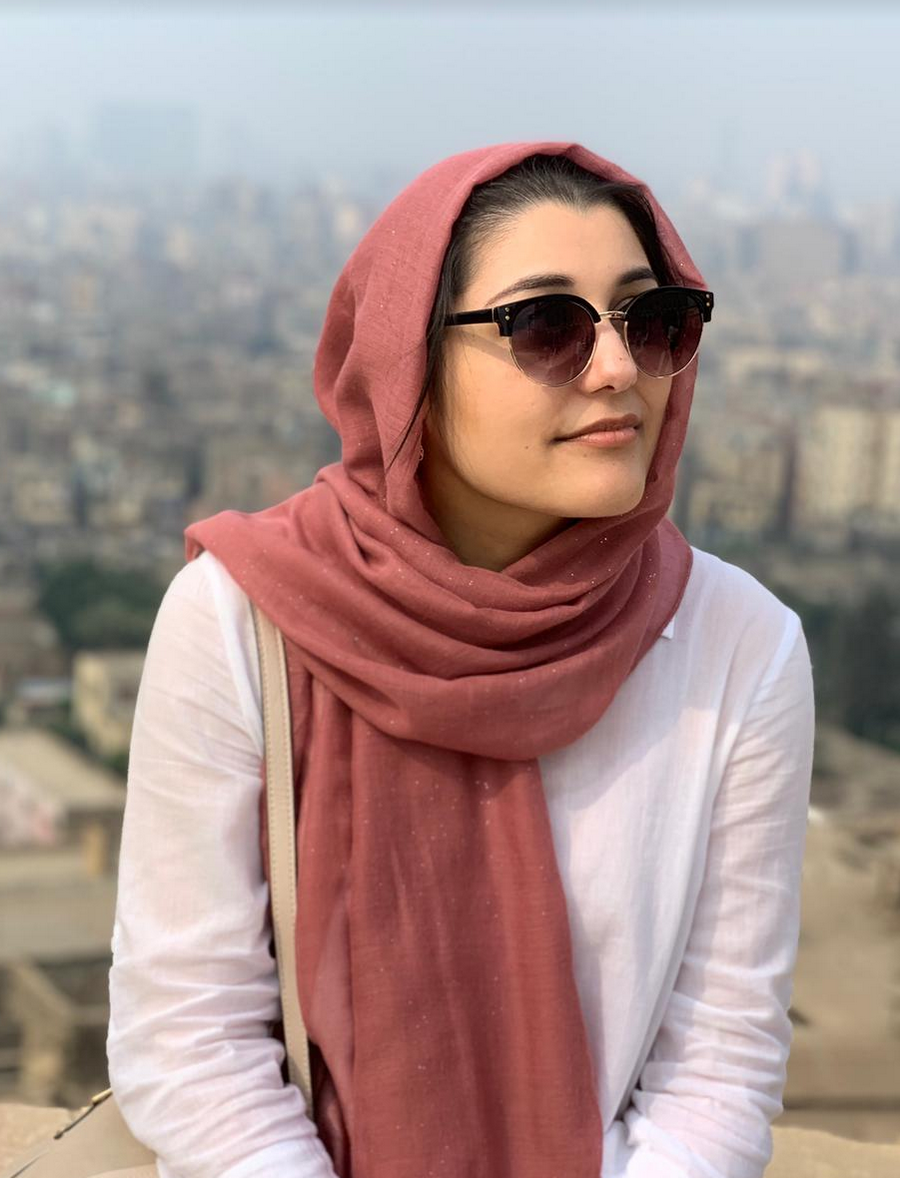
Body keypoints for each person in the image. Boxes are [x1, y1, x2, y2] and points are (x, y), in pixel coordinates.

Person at [106, 142, 815, 1178]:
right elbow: (187, 1035)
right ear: (409, 361)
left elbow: (719, 1064)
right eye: (549, 327)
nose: (619, 369)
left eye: (651, 319)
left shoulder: (737, 646)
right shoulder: (243, 618)